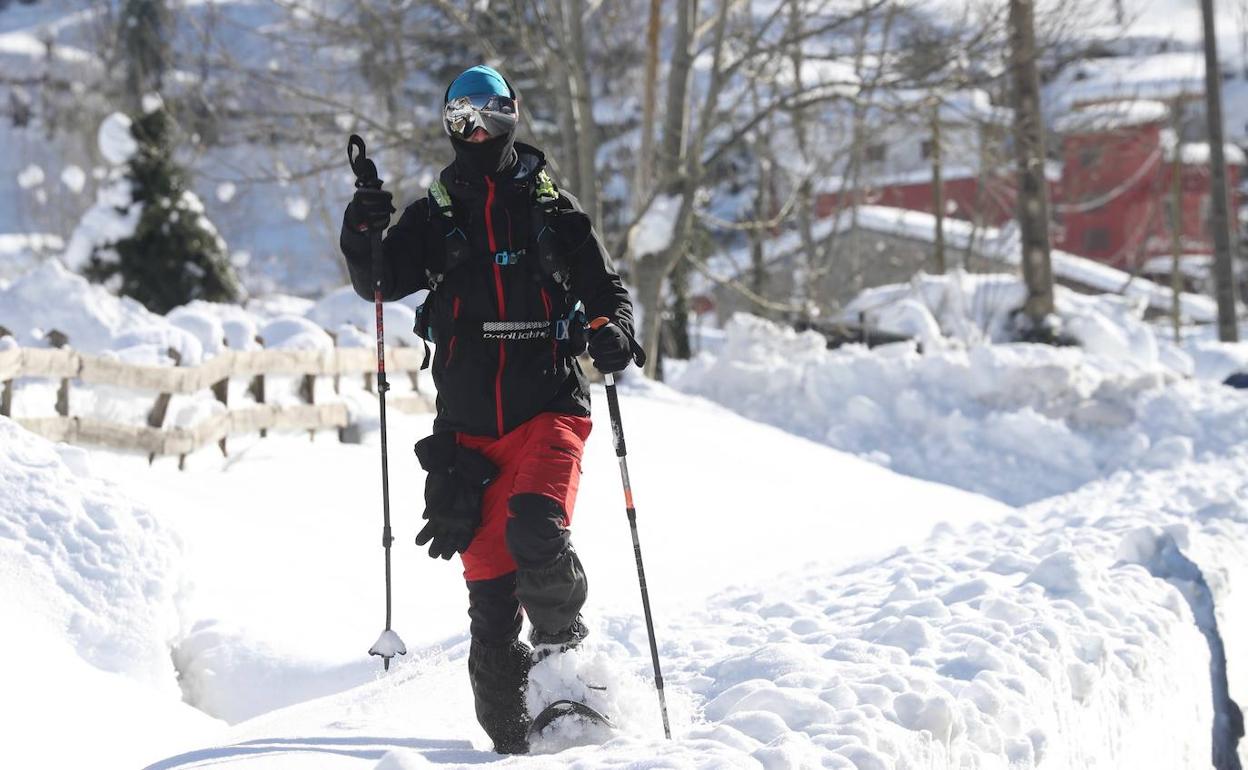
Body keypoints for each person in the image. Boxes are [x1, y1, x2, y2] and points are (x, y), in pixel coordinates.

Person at [339, 64, 643, 754]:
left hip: (548, 408)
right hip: (469, 438)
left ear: (513, 116)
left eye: (489, 113)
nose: (475, 128)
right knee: (492, 627)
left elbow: (608, 294)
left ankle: (569, 675)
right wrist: (362, 228)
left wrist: (614, 331)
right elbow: (377, 281)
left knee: (535, 527)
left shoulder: (553, 213)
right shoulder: (432, 217)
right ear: (447, 125)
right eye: (459, 117)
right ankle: (518, 741)